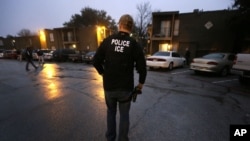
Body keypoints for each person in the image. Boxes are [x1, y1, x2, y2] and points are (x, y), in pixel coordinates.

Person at [93, 14, 147, 141]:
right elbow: (142, 67)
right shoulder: (134, 44)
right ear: (131, 27)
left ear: (120, 25)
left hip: (109, 87)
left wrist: (103, 73)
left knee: (111, 113)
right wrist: (140, 84)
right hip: (125, 88)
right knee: (124, 115)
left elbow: (96, 61)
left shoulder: (108, 41)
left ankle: (110, 138)